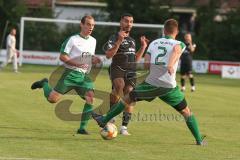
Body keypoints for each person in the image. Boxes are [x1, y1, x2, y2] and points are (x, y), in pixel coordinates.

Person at [92, 19, 206, 145]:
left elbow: (146, 65)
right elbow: (176, 50)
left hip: (151, 84)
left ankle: (105, 119)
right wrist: (170, 64)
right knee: (186, 112)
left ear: (164, 30)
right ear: (177, 31)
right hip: (168, 86)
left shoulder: (154, 43)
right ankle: (199, 140)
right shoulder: (179, 43)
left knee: (127, 99)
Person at [31, 15, 101, 135]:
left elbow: (88, 57)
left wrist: (94, 60)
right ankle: (44, 83)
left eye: (93, 25)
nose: (91, 27)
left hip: (84, 76)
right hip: (70, 75)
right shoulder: (73, 39)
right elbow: (62, 56)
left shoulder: (93, 41)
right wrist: (77, 64)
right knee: (52, 99)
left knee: (90, 97)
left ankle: (82, 128)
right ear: (82, 24)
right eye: (88, 24)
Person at [104, 13, 149, 135]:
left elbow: (136, 59)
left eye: (131, 21)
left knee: (129, 93)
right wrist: (119, 41)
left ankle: (124, 127)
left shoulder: (132, 41)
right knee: (119, 85)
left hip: (131, 70)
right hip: (117, 68)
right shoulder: (113, 37)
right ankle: (111, 114)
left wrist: (143, 47)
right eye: (126, 21)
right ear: (121, 22)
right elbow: (108, 55)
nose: (129, 23)